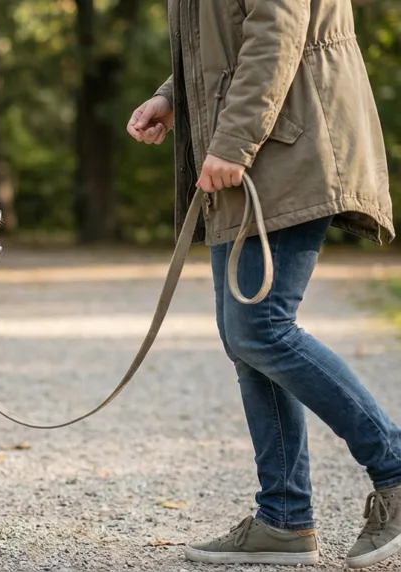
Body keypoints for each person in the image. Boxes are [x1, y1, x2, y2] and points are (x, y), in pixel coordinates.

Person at [126, 1, 401, 569]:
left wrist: (234, 139)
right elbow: (225, 36)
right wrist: (172, 95)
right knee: (246, 337)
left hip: (287, 144)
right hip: (260, 150)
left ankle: (395, 469)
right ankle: (283, 519)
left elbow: (277, 29)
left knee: (262, 328)